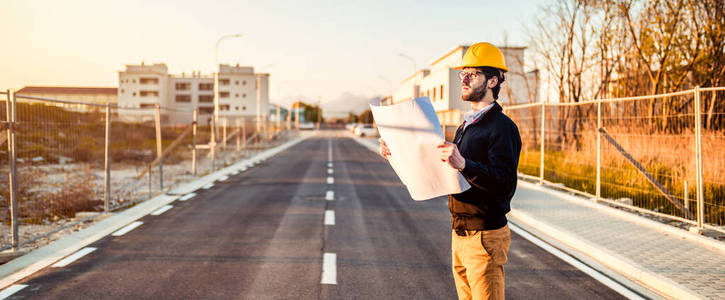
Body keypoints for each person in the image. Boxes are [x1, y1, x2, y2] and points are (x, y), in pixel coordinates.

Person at [379, 42, 521, 300]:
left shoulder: (501, 127)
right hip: (460, 232)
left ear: (492, 81)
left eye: (472, 74)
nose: (464, 79)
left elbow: (505, 184)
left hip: (485, 236)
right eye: (462, 74)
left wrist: (465, 164)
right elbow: (447, 167)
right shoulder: (468, 125)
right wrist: (397, 152)